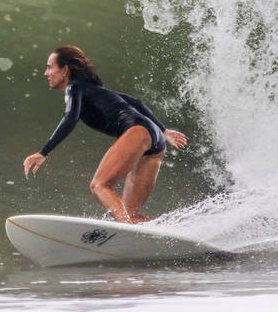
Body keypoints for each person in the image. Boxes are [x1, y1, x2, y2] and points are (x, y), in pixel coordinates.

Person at [23, 45, 187, 224]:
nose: (46, 73)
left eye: (49, 67)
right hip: (156, 142)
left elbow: (71, 118)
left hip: (139, 132)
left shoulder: (74, 87)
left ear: (65, 70)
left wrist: (44, 152)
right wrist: (163, 131)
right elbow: (136, 102)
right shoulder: (94, 89)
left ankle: (130, 229)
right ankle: (166, 238)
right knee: (130, 214)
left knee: (99, 185)